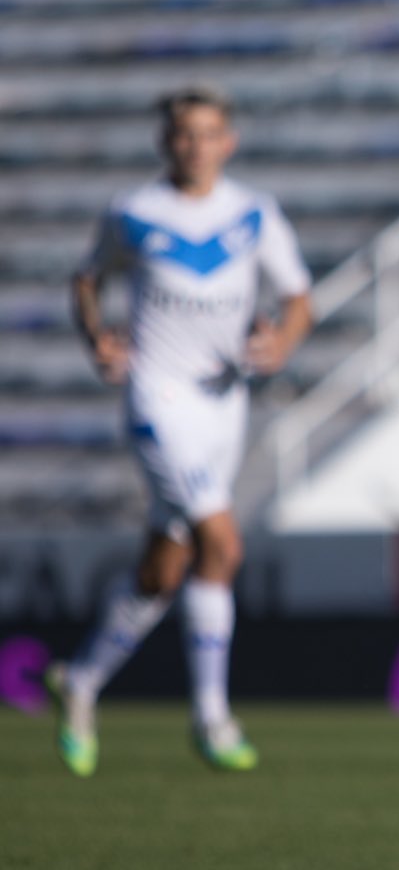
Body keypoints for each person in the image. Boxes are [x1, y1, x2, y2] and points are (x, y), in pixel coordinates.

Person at [46, 86, 313, 776]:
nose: (196, 145)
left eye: (208, 133)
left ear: (229, 141)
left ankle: (81, 681)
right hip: (156, 399)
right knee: (220, 544)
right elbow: (86, 279)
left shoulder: (253, 213)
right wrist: (96, 336)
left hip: (224, 404)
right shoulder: (133, 212)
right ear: (166, 143)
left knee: (161, 572)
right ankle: (212, 717)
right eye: (184, 134)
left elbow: (298, 298)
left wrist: (281, 342)